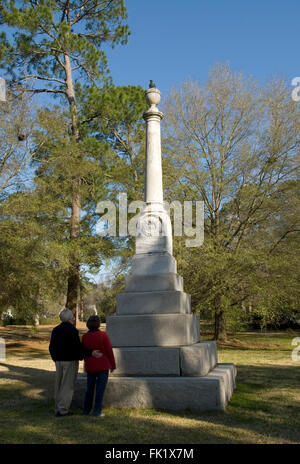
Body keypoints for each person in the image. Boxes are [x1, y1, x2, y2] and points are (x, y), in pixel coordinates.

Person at [49, 308, 102, 417]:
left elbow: (52, 347)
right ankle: (63, 409)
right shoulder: (72, 330)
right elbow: (77, 347)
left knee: (58, 384)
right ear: (69, 318)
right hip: (70, 361)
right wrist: (90, 353)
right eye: (72, 316)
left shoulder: (55, 330)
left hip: (58, 361)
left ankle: (57, 407)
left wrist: (55, 358)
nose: (73, 317)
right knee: (67, 385)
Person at [82, 315, 116, 417]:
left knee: (89, 389)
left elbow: (84, 352)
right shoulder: (103, 335)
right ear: (98, 324)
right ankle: (97, 411)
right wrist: (113, 365)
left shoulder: (84, 337)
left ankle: (86, 410)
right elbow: (109, 351)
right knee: (100, 390)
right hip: (103, 366)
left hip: (91, 366)